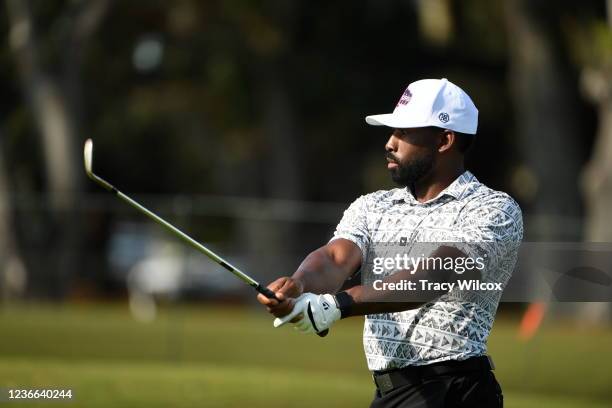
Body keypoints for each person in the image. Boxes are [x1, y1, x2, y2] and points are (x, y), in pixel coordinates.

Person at [257, 78, 523, 407]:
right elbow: (335, 258)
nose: (390, 143)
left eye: (404, 133)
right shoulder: (372, 206)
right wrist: (299, 285)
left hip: (455, 392)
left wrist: (338, 305)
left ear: (444, 140)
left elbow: (433, 277)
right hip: (392, 394)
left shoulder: (493, 210)